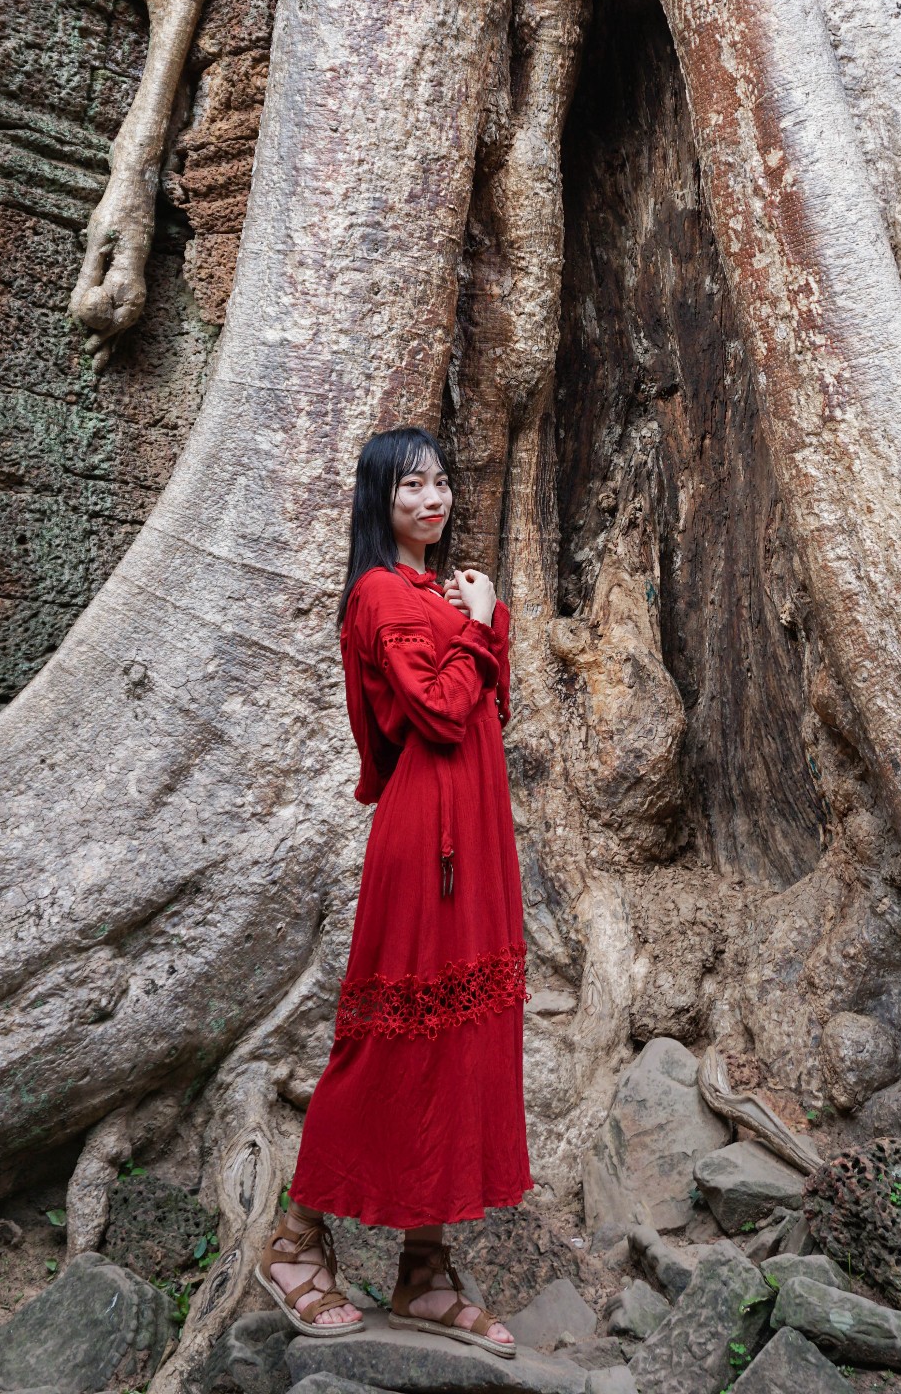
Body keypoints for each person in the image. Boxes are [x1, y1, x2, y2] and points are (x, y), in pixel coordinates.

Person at [256, 427, 531, 1352]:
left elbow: (489, 708)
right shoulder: (379, 593)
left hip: (479, 832)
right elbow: (441, 710)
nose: (432, 498)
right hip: (427, 839)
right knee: (383, 1040)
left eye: (441, 482)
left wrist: (478, 619)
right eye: (411, 484)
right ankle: (295, 1239)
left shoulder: (434, 594)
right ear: (379, 499)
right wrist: (485, 622)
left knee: (460, 1039)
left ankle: (423, 1267)